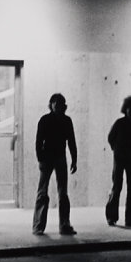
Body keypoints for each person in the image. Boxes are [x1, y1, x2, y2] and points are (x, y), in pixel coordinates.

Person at [32, 92, 78, 235]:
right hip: (49, 158)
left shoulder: (62, 121)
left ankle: (43, 226)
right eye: (56, 104)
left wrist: (74, 159)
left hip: (56, 158)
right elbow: (38, 142)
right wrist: (40, 159)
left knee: (59, 193)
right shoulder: (47, 120)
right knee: (46, 192)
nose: (58, 107)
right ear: (51, 105)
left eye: (60, 105)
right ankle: (50, 225)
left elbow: (71, 141)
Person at [106, 95, 131, 227]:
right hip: (120, 156)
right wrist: (116, 150)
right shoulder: (120, 123)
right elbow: (111, 137)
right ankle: (112, 217)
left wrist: (126, 149)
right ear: (126, 109)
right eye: (129, 109)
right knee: (117, 186)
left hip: (129, 156)